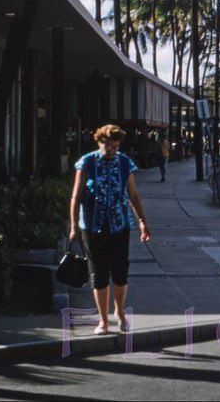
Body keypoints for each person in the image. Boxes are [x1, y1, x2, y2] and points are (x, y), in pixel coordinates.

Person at [69, 124, 151, 334]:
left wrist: (142, 220)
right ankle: (103, 321)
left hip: (119, 224)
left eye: (115, 146)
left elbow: (133, 194)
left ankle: (120, 312)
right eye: (108, 146)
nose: (112, 150)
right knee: (98, 273)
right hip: (92, 225)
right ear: (99, 142)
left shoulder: (124, 162)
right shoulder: (87, 162)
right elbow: (76, 196)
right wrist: (73, 226)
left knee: (120, 271)